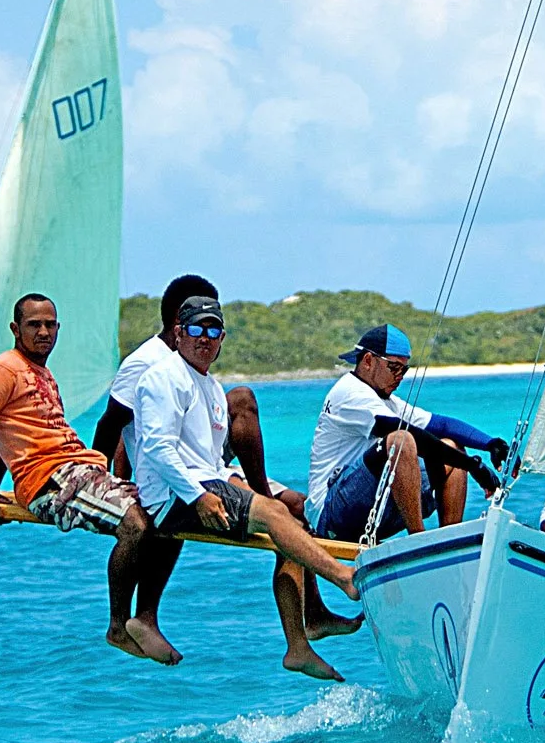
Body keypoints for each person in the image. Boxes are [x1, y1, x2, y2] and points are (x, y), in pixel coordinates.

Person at [129, 292, 363, 680]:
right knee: (273, 513)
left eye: (214, 330)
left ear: (222, 338)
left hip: (205, 481)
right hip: (174, 496)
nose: (205, 338)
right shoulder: (163, 377)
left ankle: (300, 644)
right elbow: (155, 447)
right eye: (195, 329)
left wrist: (235, 483)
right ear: (178, 333)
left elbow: (211, 459)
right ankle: (343, 578)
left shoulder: (208, 386)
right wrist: (197, 495)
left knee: (288, 521)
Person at [0, 293, 178, 666]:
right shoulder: (2, 369)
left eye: (50, 324)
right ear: (15, 329)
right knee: (135, 525)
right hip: (51, 482)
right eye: (34, 324)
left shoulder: (40, 373)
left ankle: (145, 618)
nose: (43, 331)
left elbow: (1, 434)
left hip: (80, 469)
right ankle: (118, 626)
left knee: (167, 512)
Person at [93, 274, 302, 517]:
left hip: (206, 457)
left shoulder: (193, 364)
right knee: (240, 399)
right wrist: (108, 483)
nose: (208, 333)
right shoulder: (145, 362)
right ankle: (263, 499)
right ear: (179, 322)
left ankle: (265, 503)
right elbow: (113, 424)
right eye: (202, 322)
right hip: (172, 468)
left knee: (295, 503)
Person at [307, 325, 507, 544]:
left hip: (371, 513)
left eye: (405, 369)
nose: (400, 377)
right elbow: (410, 435)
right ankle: (417, 541)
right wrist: (472, 465)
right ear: (368, 361)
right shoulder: (349, 393)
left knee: (452, 445)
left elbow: (441, 424)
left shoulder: (386, 402)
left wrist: (491, 444)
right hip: (332, 516)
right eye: (394, 368)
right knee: (400, 440)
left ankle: (450, 542)